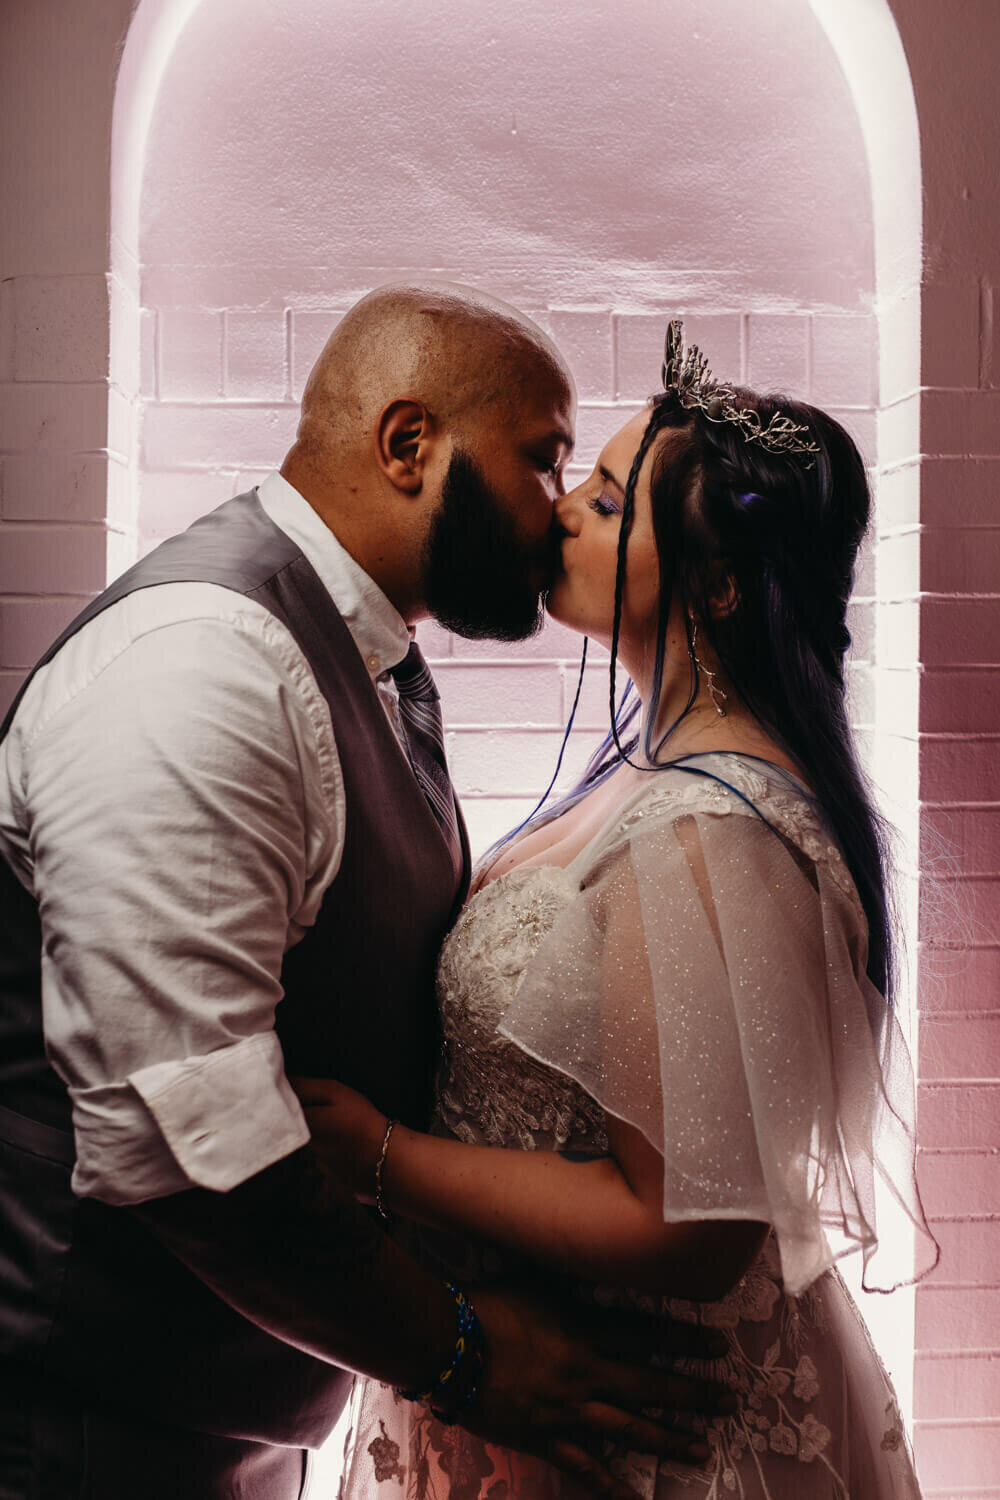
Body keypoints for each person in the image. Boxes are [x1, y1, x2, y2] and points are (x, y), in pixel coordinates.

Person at [0, 291, 730, 1500]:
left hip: (230, 1403)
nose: (555, 512)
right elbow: (182, 1134)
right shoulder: (204, 663)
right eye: (542, 459)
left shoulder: (357, 653)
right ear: (409, 446)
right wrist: (464, 1356)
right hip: (84, 1419)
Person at [294, 323, 939, 1498]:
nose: (563, 516)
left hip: (632, 1423)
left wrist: (382, 1159)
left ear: (722, 586)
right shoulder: (656, 776)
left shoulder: (707, 830)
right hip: (538, 1384)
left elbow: (689, 1228)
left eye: (605, 499)